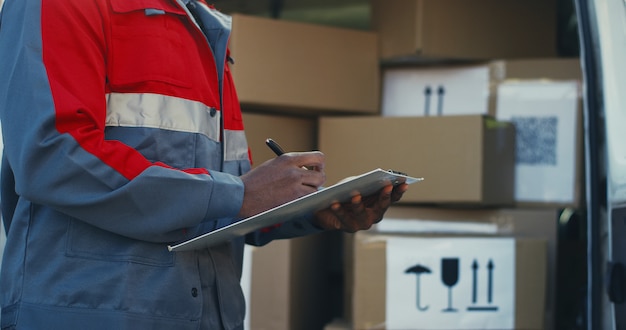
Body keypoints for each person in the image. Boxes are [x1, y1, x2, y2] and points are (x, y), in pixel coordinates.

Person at [0, 0, 409, 329]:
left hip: (209, 313)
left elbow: (220, 205)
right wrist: (241, 193)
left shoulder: (199, 22)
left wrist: (309, 211)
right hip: (91, 312)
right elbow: (51, 156)